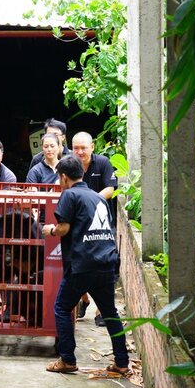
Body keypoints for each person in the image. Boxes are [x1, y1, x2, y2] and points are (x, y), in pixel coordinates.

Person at [41, 156, 130, 375]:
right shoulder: (98, 197)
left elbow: (63, 228)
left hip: (82, 263)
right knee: (110, 313)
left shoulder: (69, 194)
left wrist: (50, 230)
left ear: (63, 177)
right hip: (106, 262)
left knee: (62, 308)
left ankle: (68, 359)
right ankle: (122, 362)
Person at [71, 131, 119, 326]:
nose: (80, 152)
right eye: (76, 148)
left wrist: (90, 201)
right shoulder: (68, 164)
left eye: (84, 148)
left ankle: (101, 312)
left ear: (92, 147)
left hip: (102, 224)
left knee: (105, 266)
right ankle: (84, 300)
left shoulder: (103, 163)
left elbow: (111, 188)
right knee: (78, 264)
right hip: (77, 224)